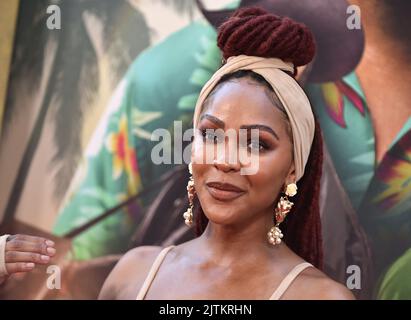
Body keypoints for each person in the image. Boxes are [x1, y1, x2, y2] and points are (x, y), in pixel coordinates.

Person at [99, 7, 354, 300]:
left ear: (293, 168)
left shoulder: (321, 297)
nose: (224, 160)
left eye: (257, 144)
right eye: (211, 135)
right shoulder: (132, 274)